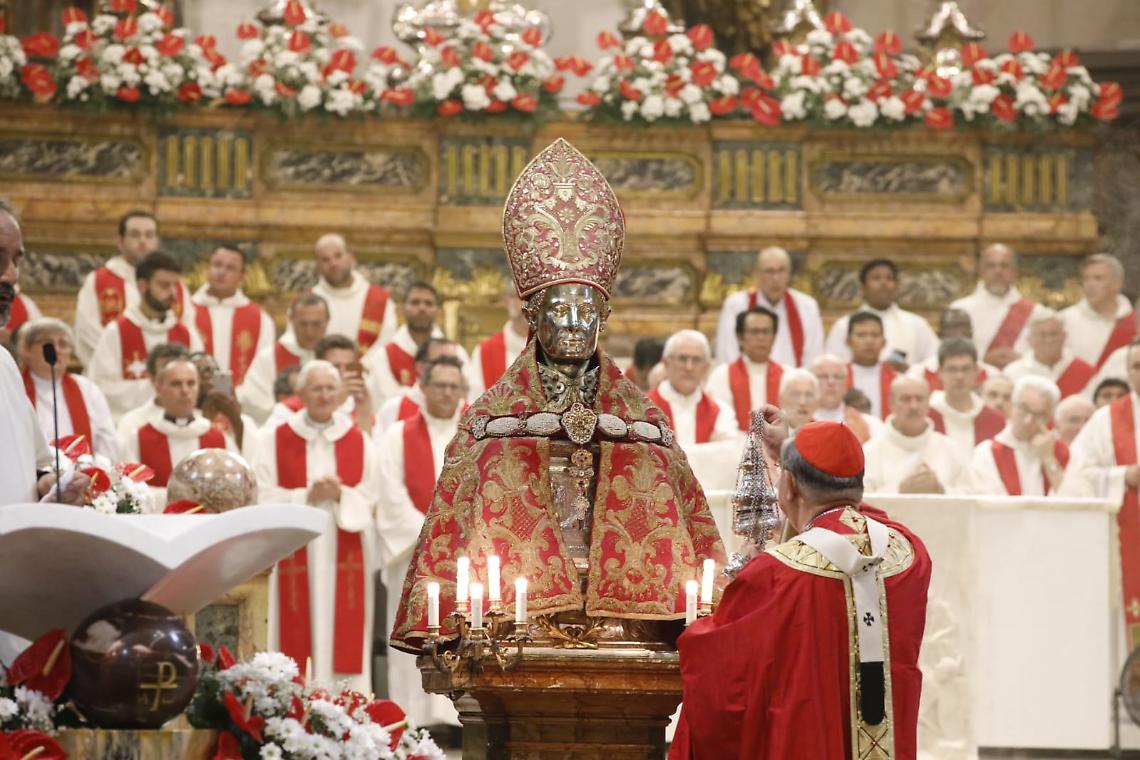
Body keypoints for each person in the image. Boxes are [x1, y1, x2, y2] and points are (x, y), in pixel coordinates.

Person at [390, 138, 725, 653]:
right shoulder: (491, 420)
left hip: (628, 630)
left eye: (587, 311)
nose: (575, 325)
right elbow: (456, 523)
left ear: (605, 319)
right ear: (531, 317)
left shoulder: (645, 423)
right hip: (510, 626)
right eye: (560, 310)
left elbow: (685, 528)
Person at [671, 418, 931, 760]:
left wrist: (697, 628)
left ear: (789, 485)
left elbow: (721, 681)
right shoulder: (907, 555)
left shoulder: (774, 574)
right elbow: (847, 520)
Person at [254, 359, 379, 693]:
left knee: (343, 630)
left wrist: (342, 495)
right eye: (316, 388)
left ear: (339, 394)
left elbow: (371, 495)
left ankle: (346, 701)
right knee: (294, 627)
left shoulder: (358, 440)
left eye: (330, 389)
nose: (324, 396)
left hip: (343, 545)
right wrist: (305, 495)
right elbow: (261, 494)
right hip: (295, 550)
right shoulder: (274, 439)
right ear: (300, 393)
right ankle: (293, 698)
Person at [375, 356, 466, 728]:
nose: (446, 393)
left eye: (453, 386)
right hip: (414, 555)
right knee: (413, 640)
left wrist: (458, 539)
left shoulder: (473, 435)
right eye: (439, 385)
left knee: (461, 637)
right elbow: (390, 494)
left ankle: (458, 719)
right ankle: (409, 720)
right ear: (423, 388)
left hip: (463, 559)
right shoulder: (398, 435)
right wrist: (433, 537)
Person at [0, 199, 87, 505]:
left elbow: (35, 465)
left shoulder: (4, 365)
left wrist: (49, 484)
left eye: (16, 261)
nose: (10, 277)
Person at [1060, 338, 1140, 650]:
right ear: (1127, 371)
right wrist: (1123, 476)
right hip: (1128, 541)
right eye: (1136, 366)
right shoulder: (1105, 420)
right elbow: (1077, 479)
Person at [86, 251, 203, 422]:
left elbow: (199, 386)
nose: (173, 293)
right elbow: (101, 389)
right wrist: (160, 388)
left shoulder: (187, 335)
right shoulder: (116, 333)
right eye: (164, 285)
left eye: (175, 285)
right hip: (130, 428)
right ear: (142, 286)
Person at [73, 210, 193, 366]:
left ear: (157, 241)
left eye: (149, 235)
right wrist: (119, 358)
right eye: (135, 235)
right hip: (114, 374)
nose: (143, 241)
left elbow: (187, 332)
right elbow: (86, 330)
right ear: (120, 241)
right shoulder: (98, 281)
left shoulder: (176, 285)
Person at [116, 357, 235, 507]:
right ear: (158, 388)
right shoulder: (138, 438)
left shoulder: (218, 439)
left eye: (191, 383)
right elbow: (128, 490)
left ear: (198, 388)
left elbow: (235, 488)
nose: (185, 391)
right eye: (176, 384)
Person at [18, 319, 116, 462]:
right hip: (30, 476)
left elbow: (107, 440)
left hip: (81, 478)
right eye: (48, 343)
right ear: (27, 349)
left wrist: (94, 472)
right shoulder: (15, 386)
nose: (56, 349)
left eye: (63, 344)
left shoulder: (88, 389)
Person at [713, 247, 823, 367]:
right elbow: (727, 353)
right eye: (769, 271)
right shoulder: (736, 305)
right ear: (757, 274)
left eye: (781, 271)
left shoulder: (807, 306)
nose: (776, 278)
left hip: (795, 382)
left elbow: (814, 356)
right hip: (746, 381)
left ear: (789, 273)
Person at [362, 281, 466, 405]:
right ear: (402, 309)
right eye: (415, 302)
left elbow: (466, 398)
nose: (422, 308)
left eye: (429, 303)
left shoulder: (455, 352)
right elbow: (378, 403)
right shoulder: (383, 356)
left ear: (438, 311)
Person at [862, 375, 969, 494]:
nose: (914, 406)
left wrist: (940, 489)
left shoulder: (951, 449)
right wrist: (900, 490)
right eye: (905, 399)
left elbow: (970, 497)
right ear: (891, 403)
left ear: (928, 403)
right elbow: (862, 503)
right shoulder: (870, 451)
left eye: (919, 399)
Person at [950, 243, 1048, 369]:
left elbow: (1046, 355)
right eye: (991, 265)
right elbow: (951, 354)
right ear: (981, 271)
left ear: (1015, 272)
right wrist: (983, 361)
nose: (998, 271)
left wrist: (1022, 361)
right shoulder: (960, 310)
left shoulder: (1037, 312)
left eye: (1004, 265)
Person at [824, 259, 939, 365]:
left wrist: (910, 370)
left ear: (896, 286)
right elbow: (833, 364)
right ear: (863, 288)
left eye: (889, 278)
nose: (884, 283)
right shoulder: (843, 325)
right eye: (876, 278)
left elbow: (934, 361)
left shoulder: (916, 324)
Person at [191, 243, 275, 386]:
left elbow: (264, 368)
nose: (222, 272)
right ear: (207, 268)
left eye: (230, 268)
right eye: (217, 265)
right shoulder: (187, 312)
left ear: (242, 275)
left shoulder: (260, 319)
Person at [237, 292, 329, 423]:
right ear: (291, 320)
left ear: (327, 322)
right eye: (303, 324)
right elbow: (253, 402)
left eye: (316, 324)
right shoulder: (269, 358)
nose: (309, 332)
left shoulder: (335, 356)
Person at [972, 376, 1067, 496]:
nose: (1028, 420)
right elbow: (990, 503)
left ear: (1049, 418)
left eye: (1039, 415)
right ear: (1012, 405)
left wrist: (1049, 459)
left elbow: (1074, 503)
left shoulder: (1061, 452)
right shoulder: (987, 452)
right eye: (1024, 409)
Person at [648, 330, 737, 446]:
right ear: (666, 363)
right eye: (682, 359)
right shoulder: (642, 409)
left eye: (696, 360)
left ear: (706, 367)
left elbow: (726, 455)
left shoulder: (721, 412)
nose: (689, 367)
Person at [310, 233, 396, 352]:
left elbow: (386, 343)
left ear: (351, 258)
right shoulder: (308, 301)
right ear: (317, 265)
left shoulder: (380, 299)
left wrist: (358, 367)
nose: (333, 264)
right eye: (325, 259)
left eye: (338, 256)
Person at [706, 306, 784, 430]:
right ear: (740, 337)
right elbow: (717, 421)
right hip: (734, 446)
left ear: (774, 337)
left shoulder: (788, 376)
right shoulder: (722, 375)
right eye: (754, 332)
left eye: (766, 332)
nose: (760, 337)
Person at [1060, 254, 1137, 372]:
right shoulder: (1065, 320)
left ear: (1118, 283)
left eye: (1098, 278)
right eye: (1086, 279)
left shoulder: (1135, 321)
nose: (1090, 285)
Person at [926, 338, 1006, 451]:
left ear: (976, 371)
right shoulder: (926, 416)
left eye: (966, 369)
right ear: (940, 372)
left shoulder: (994, 420)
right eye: (952, 369)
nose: (960, 376)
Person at [373, 338, 462, 436]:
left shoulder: (471, 413)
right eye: (441, 362)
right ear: (421, 367)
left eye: (454, 363)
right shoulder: (393, 410)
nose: (449, 370)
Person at [1003, 310, 1095, 399]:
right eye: (1042, 335)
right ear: (1029, 339)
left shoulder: (1083, 371)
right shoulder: (1013, 373)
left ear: (1064, 336)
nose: (1048, 340)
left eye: (1053, 334)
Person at [907, 307, 997, 391]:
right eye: (952, 327)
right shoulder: (918, 373)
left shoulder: (991, 374)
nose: (958, 333)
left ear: (971, 334)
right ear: (940, 334)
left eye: (963, 328)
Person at [115, 343, 191, 441]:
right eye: (168, 371)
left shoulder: (204, 422)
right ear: (152, 378)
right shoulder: (132, 424)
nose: (183, 388)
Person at [466, 284, 528, 398]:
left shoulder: (550, 350)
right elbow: (474, 404)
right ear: (506, 300)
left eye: (530, 297)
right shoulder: (485, 352)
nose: (525, 304)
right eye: (519, 296)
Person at [809, 354, 882, 443]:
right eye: (824, 376)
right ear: (810, 383)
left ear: (846, 383)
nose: (831, 382)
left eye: (837, 377)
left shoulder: (872, 426)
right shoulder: (798, 424)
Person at [845, 312, 897, 420]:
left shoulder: (896, 379)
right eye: (861, 335)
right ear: (848, 342)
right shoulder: (838, 378)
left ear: (884, 342)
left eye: (875, 335)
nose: (869, 341)